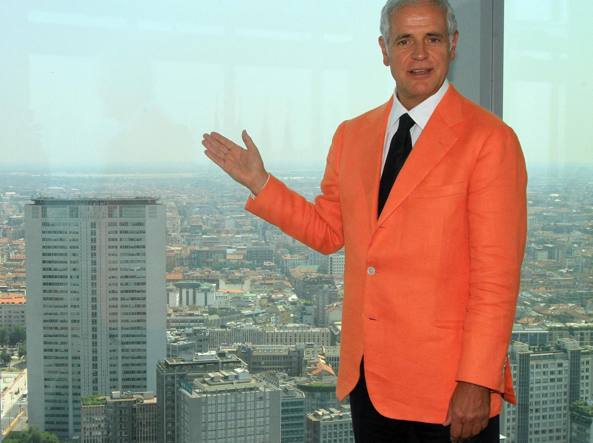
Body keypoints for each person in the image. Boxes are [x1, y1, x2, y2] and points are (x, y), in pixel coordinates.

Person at [202, 0, 527, 441]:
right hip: (368, 380)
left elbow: (496, 280)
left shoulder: (490, 140)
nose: (419, 54)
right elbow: (329, 231)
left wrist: (476, 380)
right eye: (404, 41)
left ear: (453, 45)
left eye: (432, 39)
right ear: (384, 50)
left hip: (449, 389)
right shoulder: (352, 135)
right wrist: (261, 183)